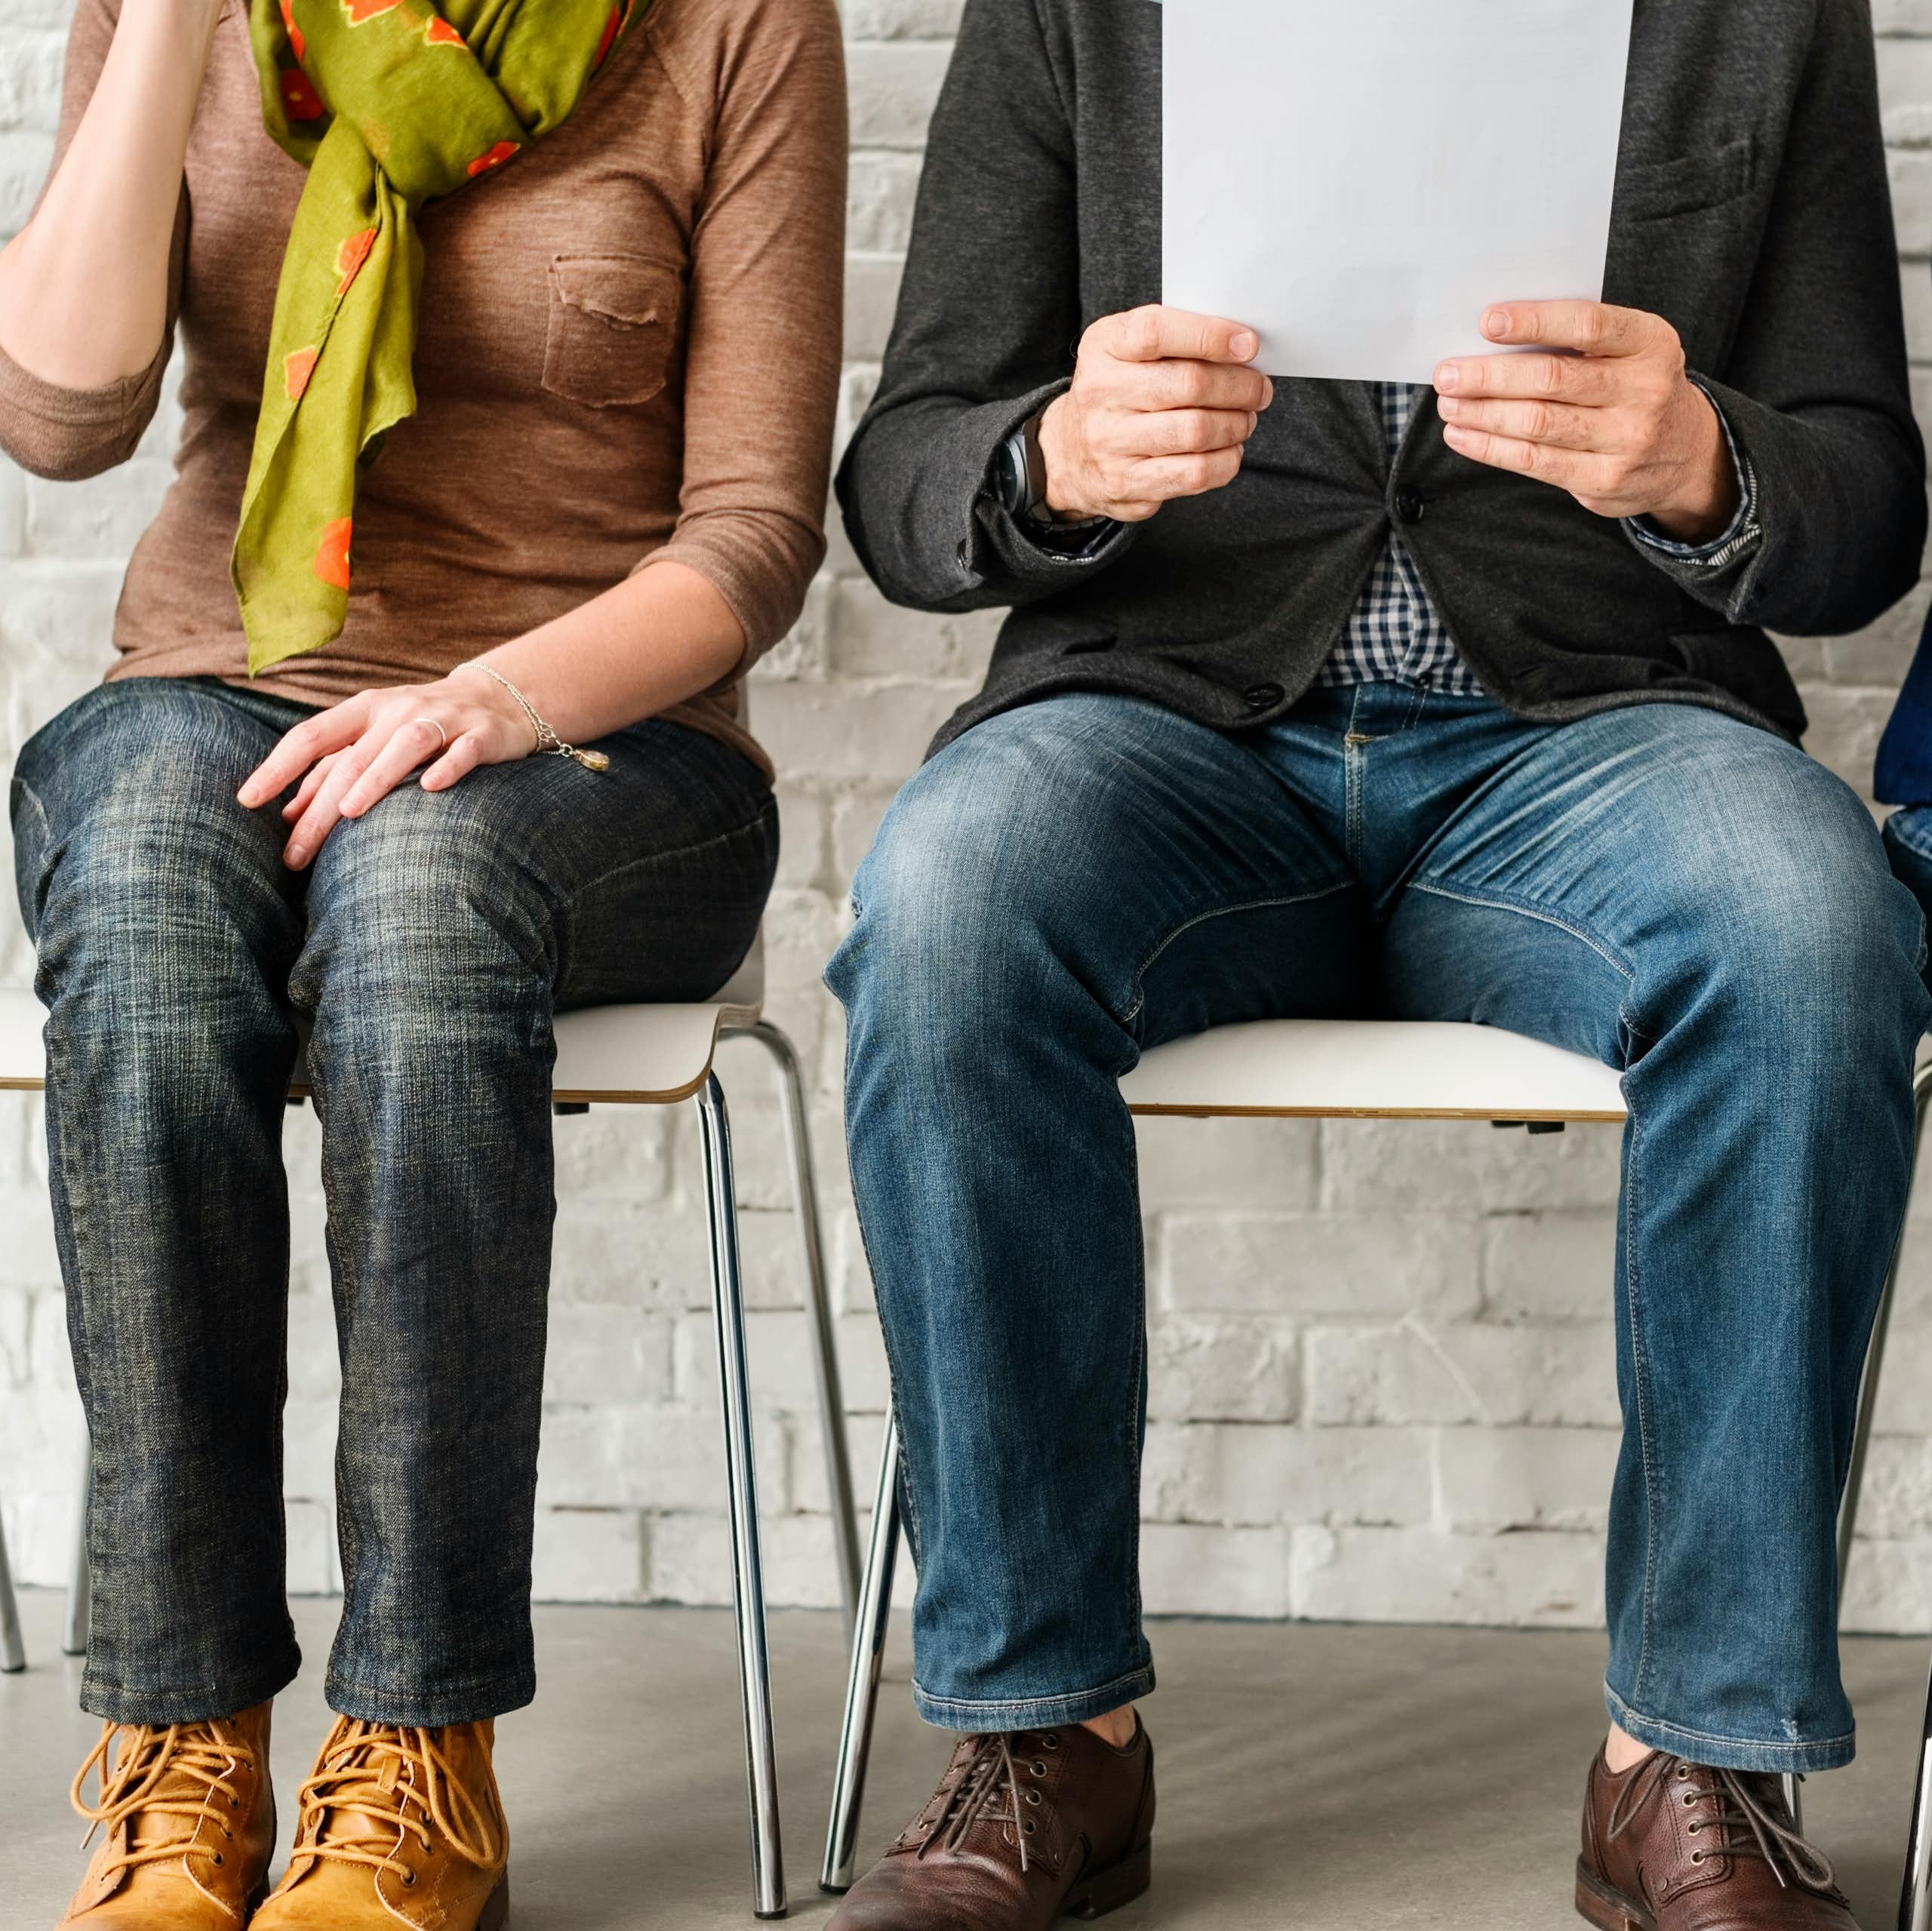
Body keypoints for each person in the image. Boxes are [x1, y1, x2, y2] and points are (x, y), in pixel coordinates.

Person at [825, 3, 1927, 1928]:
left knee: (1807, 924)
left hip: (1587, 734)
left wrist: (1698, 463)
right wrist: (1057, 456)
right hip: (1167, 722)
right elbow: (904, 475)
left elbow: (1860, 505)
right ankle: (1044, 1728)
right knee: (946, 898)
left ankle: (1688, 1752)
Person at [0, 0, 843, 1924]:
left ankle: (416, 1740)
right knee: (138, 892)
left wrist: (486, 699)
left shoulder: (730, 29)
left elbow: (754, 534)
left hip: (597, 737)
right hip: (216, 683)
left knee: (420, 894)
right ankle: (181, 1735)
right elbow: (60, 417)